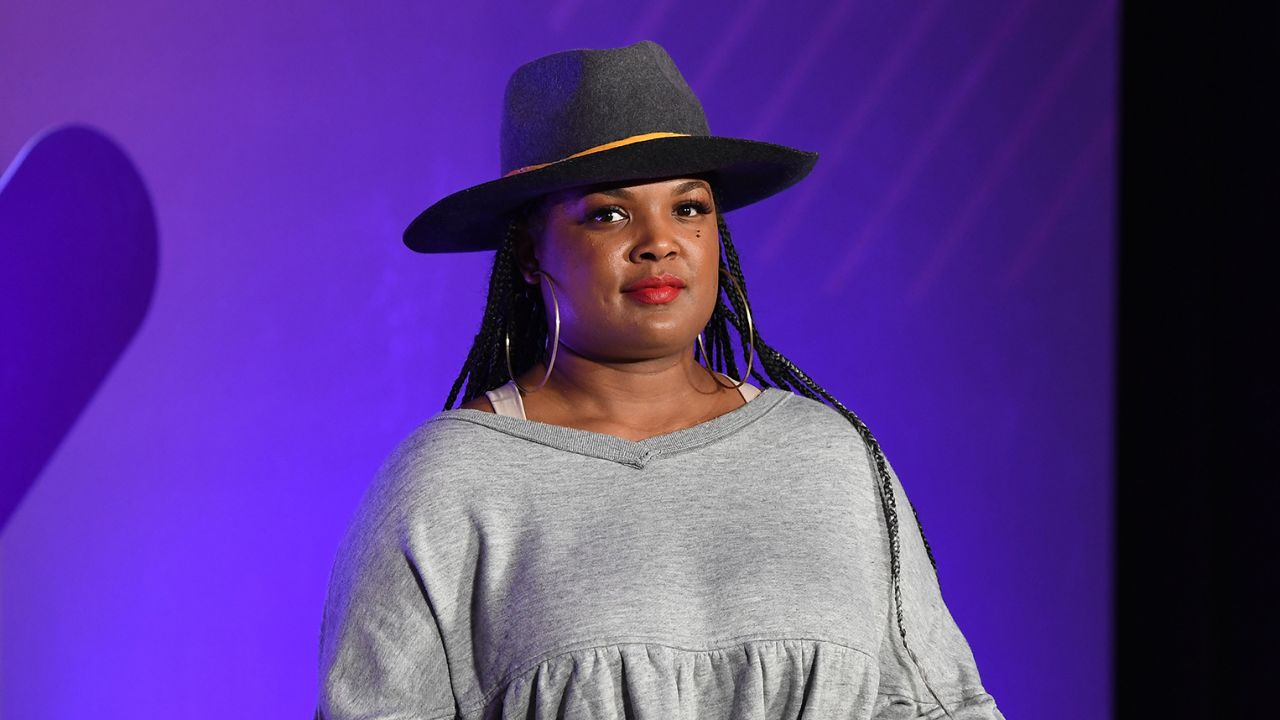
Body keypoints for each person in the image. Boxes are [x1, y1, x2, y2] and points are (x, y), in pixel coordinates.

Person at [316, 40, 1004, 720]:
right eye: (608, 213)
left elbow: (943, 706)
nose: (659, 240)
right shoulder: (448, 484)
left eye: (689, 207)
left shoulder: (831, 457)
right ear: (528, 250)